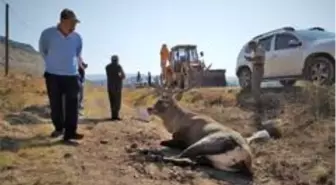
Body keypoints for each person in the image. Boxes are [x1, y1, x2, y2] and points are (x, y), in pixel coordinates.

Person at [38, 8, 83, 142]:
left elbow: (77, 53)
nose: (74, 26)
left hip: (72, 75)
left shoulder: (77, 38)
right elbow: (43, 51)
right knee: (55, 104)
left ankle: (70, 132)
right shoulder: (47, 34)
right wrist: (53, 64)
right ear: (63, 21)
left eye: (75, 23)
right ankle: (59, 128)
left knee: (72, 104)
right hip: (53, 75)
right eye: (72, 22)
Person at [244, 40, 266, 112]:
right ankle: (257, 101)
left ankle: (258, 103)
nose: (250, 48)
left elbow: (260, 58)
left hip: (258, 68)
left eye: (251, 46)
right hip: (256, 68)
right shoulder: (255, 51)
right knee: (254, 86)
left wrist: (251, 59)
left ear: (253, 45)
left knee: (255, 86)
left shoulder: (259, 49)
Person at [105, 55, 125, 121]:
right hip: (117, 87)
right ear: (117, 60)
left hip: (110, 87)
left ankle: (113, 116)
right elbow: (123, 76)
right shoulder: (118, 66)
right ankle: (116, 116)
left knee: (112, 101)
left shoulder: (107, 67)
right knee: (117, 102)